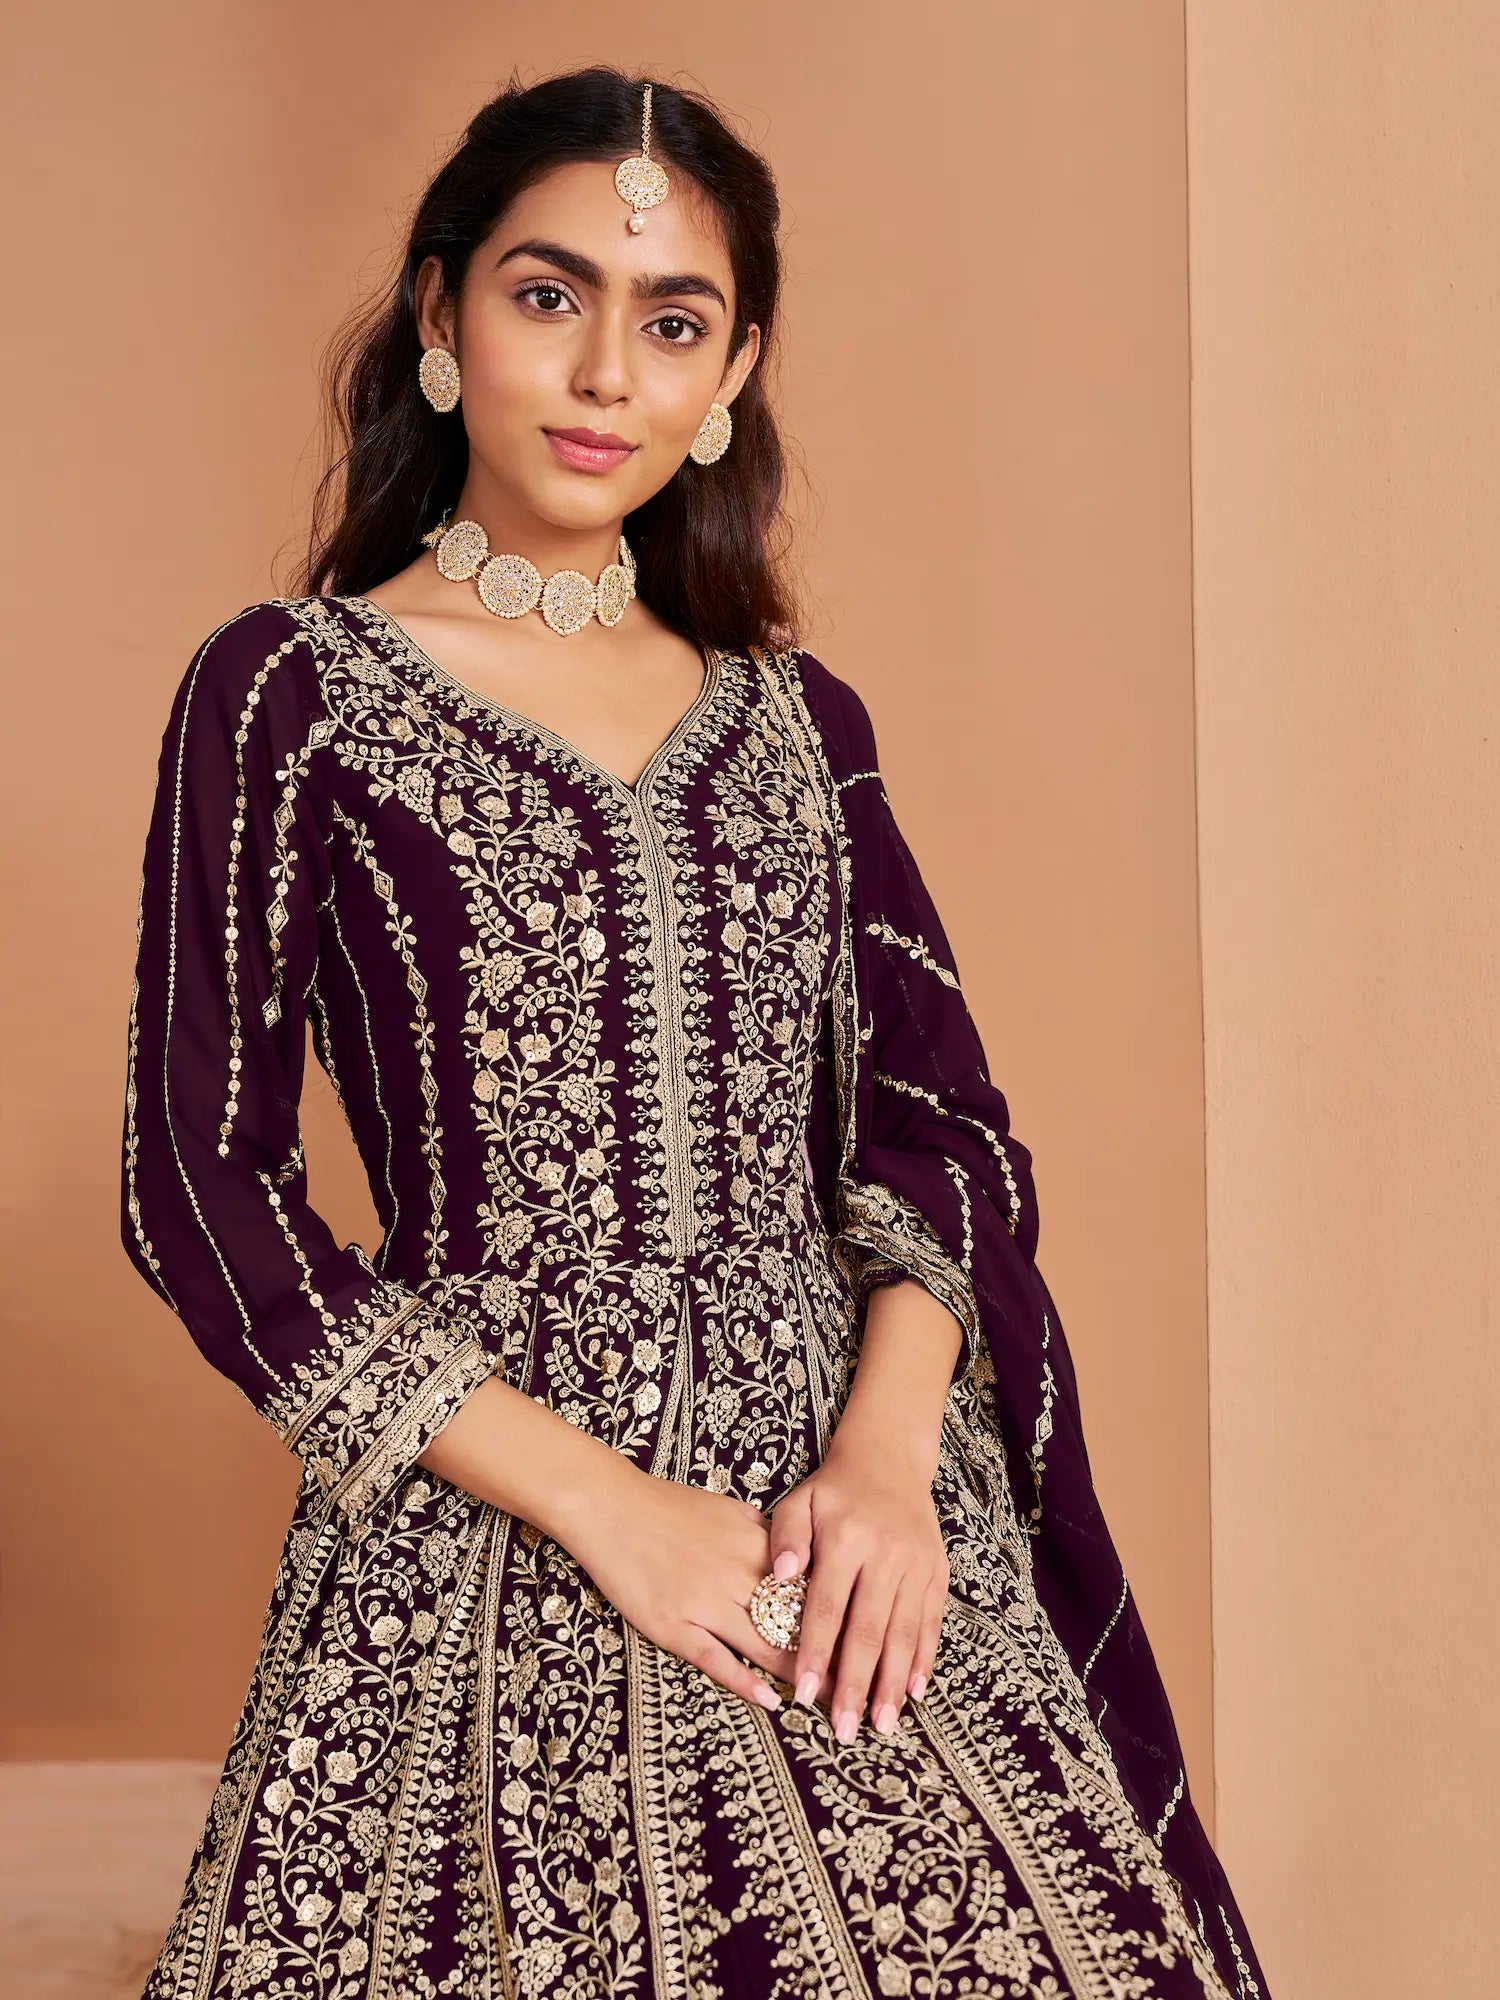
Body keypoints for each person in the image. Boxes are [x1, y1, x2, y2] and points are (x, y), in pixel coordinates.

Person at [120, 64, 1270, 2000]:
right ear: (438, 314)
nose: (605, 375)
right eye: (547, 295)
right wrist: (613, 1510)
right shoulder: (287, 696)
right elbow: (197, 1191)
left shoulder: (799, 725)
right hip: (491, 1494)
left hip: (838, 1499)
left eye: (674, 324)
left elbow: (945, 1129)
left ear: (732, 372)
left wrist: (886, 1464)